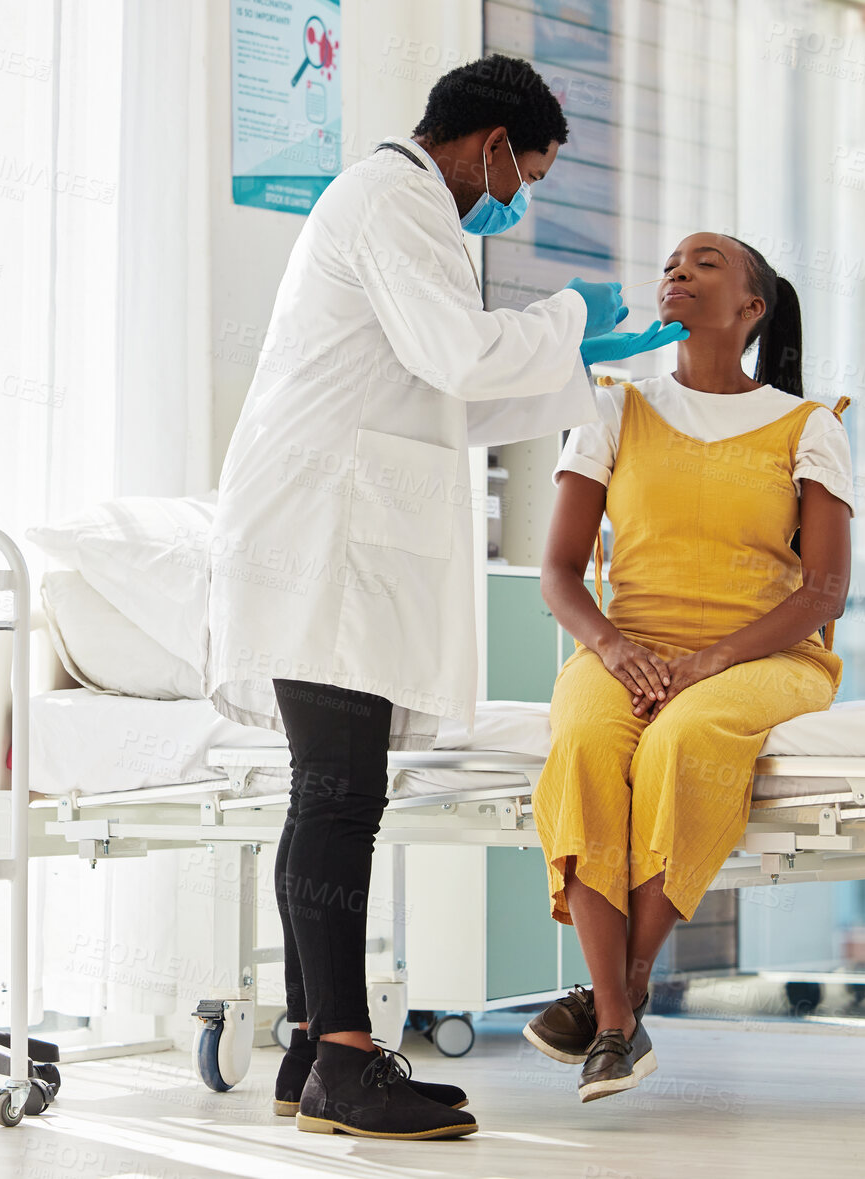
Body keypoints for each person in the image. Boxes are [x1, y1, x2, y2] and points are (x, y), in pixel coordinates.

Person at [206, 55, 686, 1140]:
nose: (516, 203)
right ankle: (342, 1057)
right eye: (527, 177)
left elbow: (439, 397)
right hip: (320, 539)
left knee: (326, 792)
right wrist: (568, 315)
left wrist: (575, 360)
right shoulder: (395, 199)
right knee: (338, 795)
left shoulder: (402, 212)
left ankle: (308, 1052)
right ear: (491, 146)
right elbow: (458, 359)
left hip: (328, 532)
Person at [522, 232, 855, 1102]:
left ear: (751, 307)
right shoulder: (611, 404)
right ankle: (618, 1016)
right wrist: (613, 647)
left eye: (705, 263)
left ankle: (613, 1004)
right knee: (590, 741)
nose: (677, 270)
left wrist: (710, 659)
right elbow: (557, 570)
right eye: (672, 260)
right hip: (625, 642)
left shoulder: (806, 424)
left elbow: (823, 590)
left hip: (767, 651)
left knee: (685, 738)